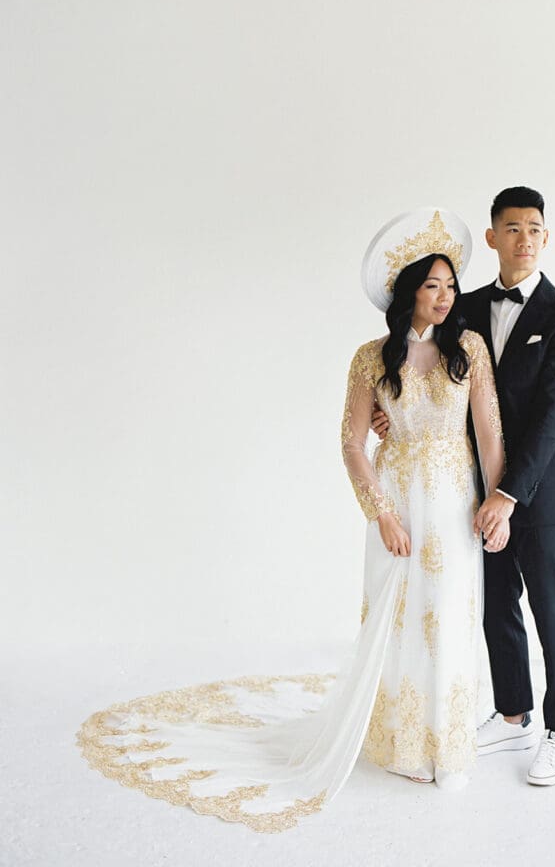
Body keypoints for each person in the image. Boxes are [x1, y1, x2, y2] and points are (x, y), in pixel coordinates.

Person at [76, 207, 509, 833]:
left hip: (455, 502)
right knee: (401, 618)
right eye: (431, 285)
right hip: (400, 499)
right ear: (408, 290)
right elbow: (353, 443)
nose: (444, 297)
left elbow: (490, 437)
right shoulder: (370, 357)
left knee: (450, 612)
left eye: (450, 285)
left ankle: (452, 742)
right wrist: (380, 512)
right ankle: (406, 745)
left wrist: (498, 505)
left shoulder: (469, 350)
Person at [374, 186, 555, 786]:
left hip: (539, 493)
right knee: (497, 606)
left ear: (546, 238)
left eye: (536, 229)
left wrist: (507, 493)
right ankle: (514, 712)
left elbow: (551, 422)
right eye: (512, 229)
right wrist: (387, 411)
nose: (525, 239)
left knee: (553, 611)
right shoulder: (461, 308)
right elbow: (414, 364)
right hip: (464, 492)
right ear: (492, 237)